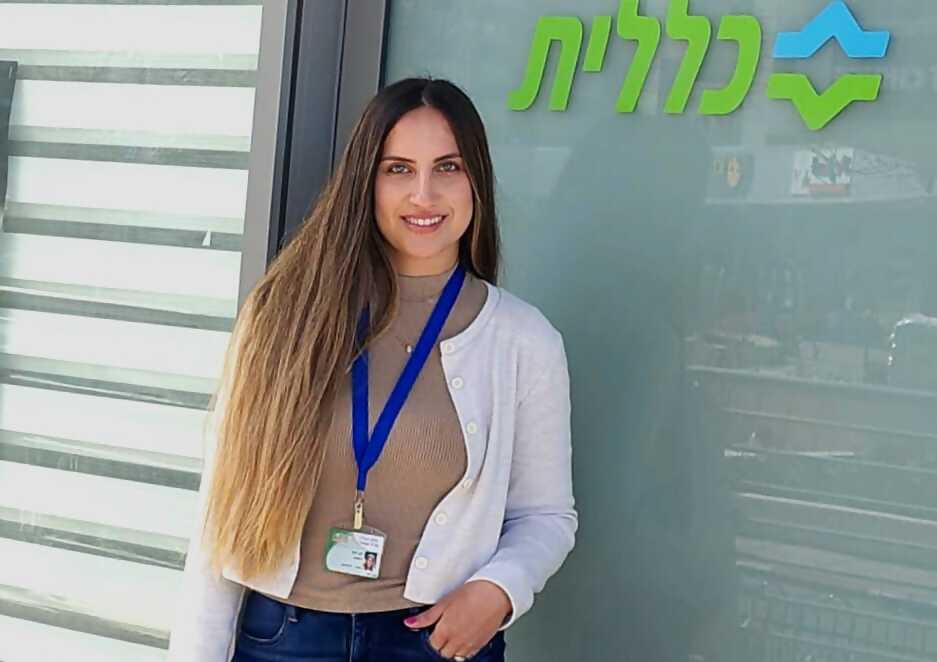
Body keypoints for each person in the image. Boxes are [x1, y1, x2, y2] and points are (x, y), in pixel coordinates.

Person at [168, 77, 576, 662]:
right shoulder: (284, 314)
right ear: (367, 181)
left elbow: (546, 515)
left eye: (448, 167)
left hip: (434, 642)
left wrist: (499, 591)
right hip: (283, 639)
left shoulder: (522, 340)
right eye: (398, 169)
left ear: (476, 182)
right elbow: (222, 513)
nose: (424, 194)